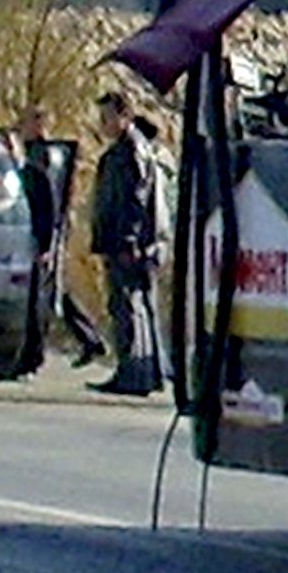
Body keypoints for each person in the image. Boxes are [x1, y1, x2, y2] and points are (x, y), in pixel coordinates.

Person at [9, 109, 110, 368]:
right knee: (55, 292)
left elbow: (47, 200)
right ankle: (89, 338)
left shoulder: (41, 157)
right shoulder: (46, 154)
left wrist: (46, 241)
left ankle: (35, 354)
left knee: (42, 296)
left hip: (43, 234)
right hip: (43, 234)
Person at [87, 90, 167, 397]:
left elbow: (135, 199)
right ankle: (149, 372)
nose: (103, 124)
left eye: (107, 117)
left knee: (128, 306)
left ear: (124, 116)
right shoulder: (129, 149)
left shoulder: (130, 151)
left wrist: (129, 240)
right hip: (129, 240)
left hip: (128, 242)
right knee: (140, 304)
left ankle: (133, 372)